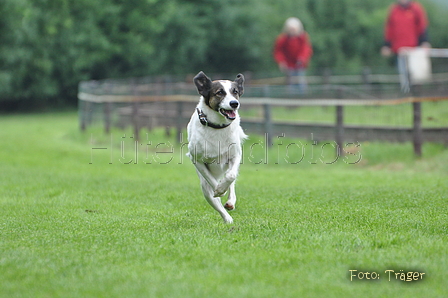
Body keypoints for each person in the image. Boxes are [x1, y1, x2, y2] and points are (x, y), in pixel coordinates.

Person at [273, 17, 313, 94]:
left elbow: (306, 49)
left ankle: (302, 99)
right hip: (289, 66)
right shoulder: (282, 39)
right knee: (290, 84)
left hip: (300, 65)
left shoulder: (303, 38)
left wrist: (302, 58)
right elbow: (278, 51)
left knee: (300, 82)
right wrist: (281, 62)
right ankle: (291, 100)